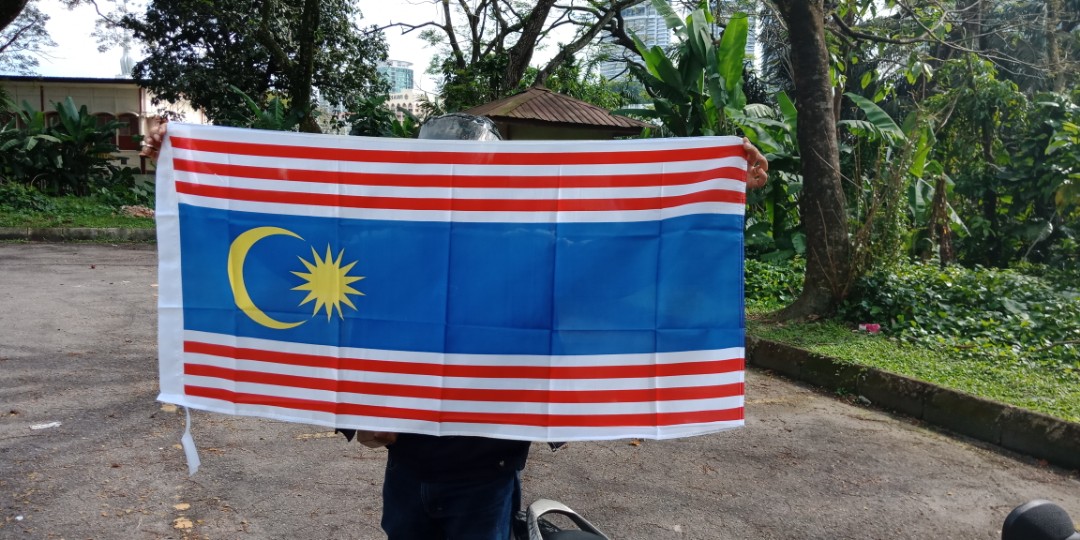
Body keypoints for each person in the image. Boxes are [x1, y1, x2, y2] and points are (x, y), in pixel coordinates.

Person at [141, 114, 769, 540]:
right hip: (407, 470)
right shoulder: (377, 250)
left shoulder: (537, 254)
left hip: (486, 473)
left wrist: (720, 191)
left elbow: (632, 262)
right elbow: (319, 317)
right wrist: (179, 168)